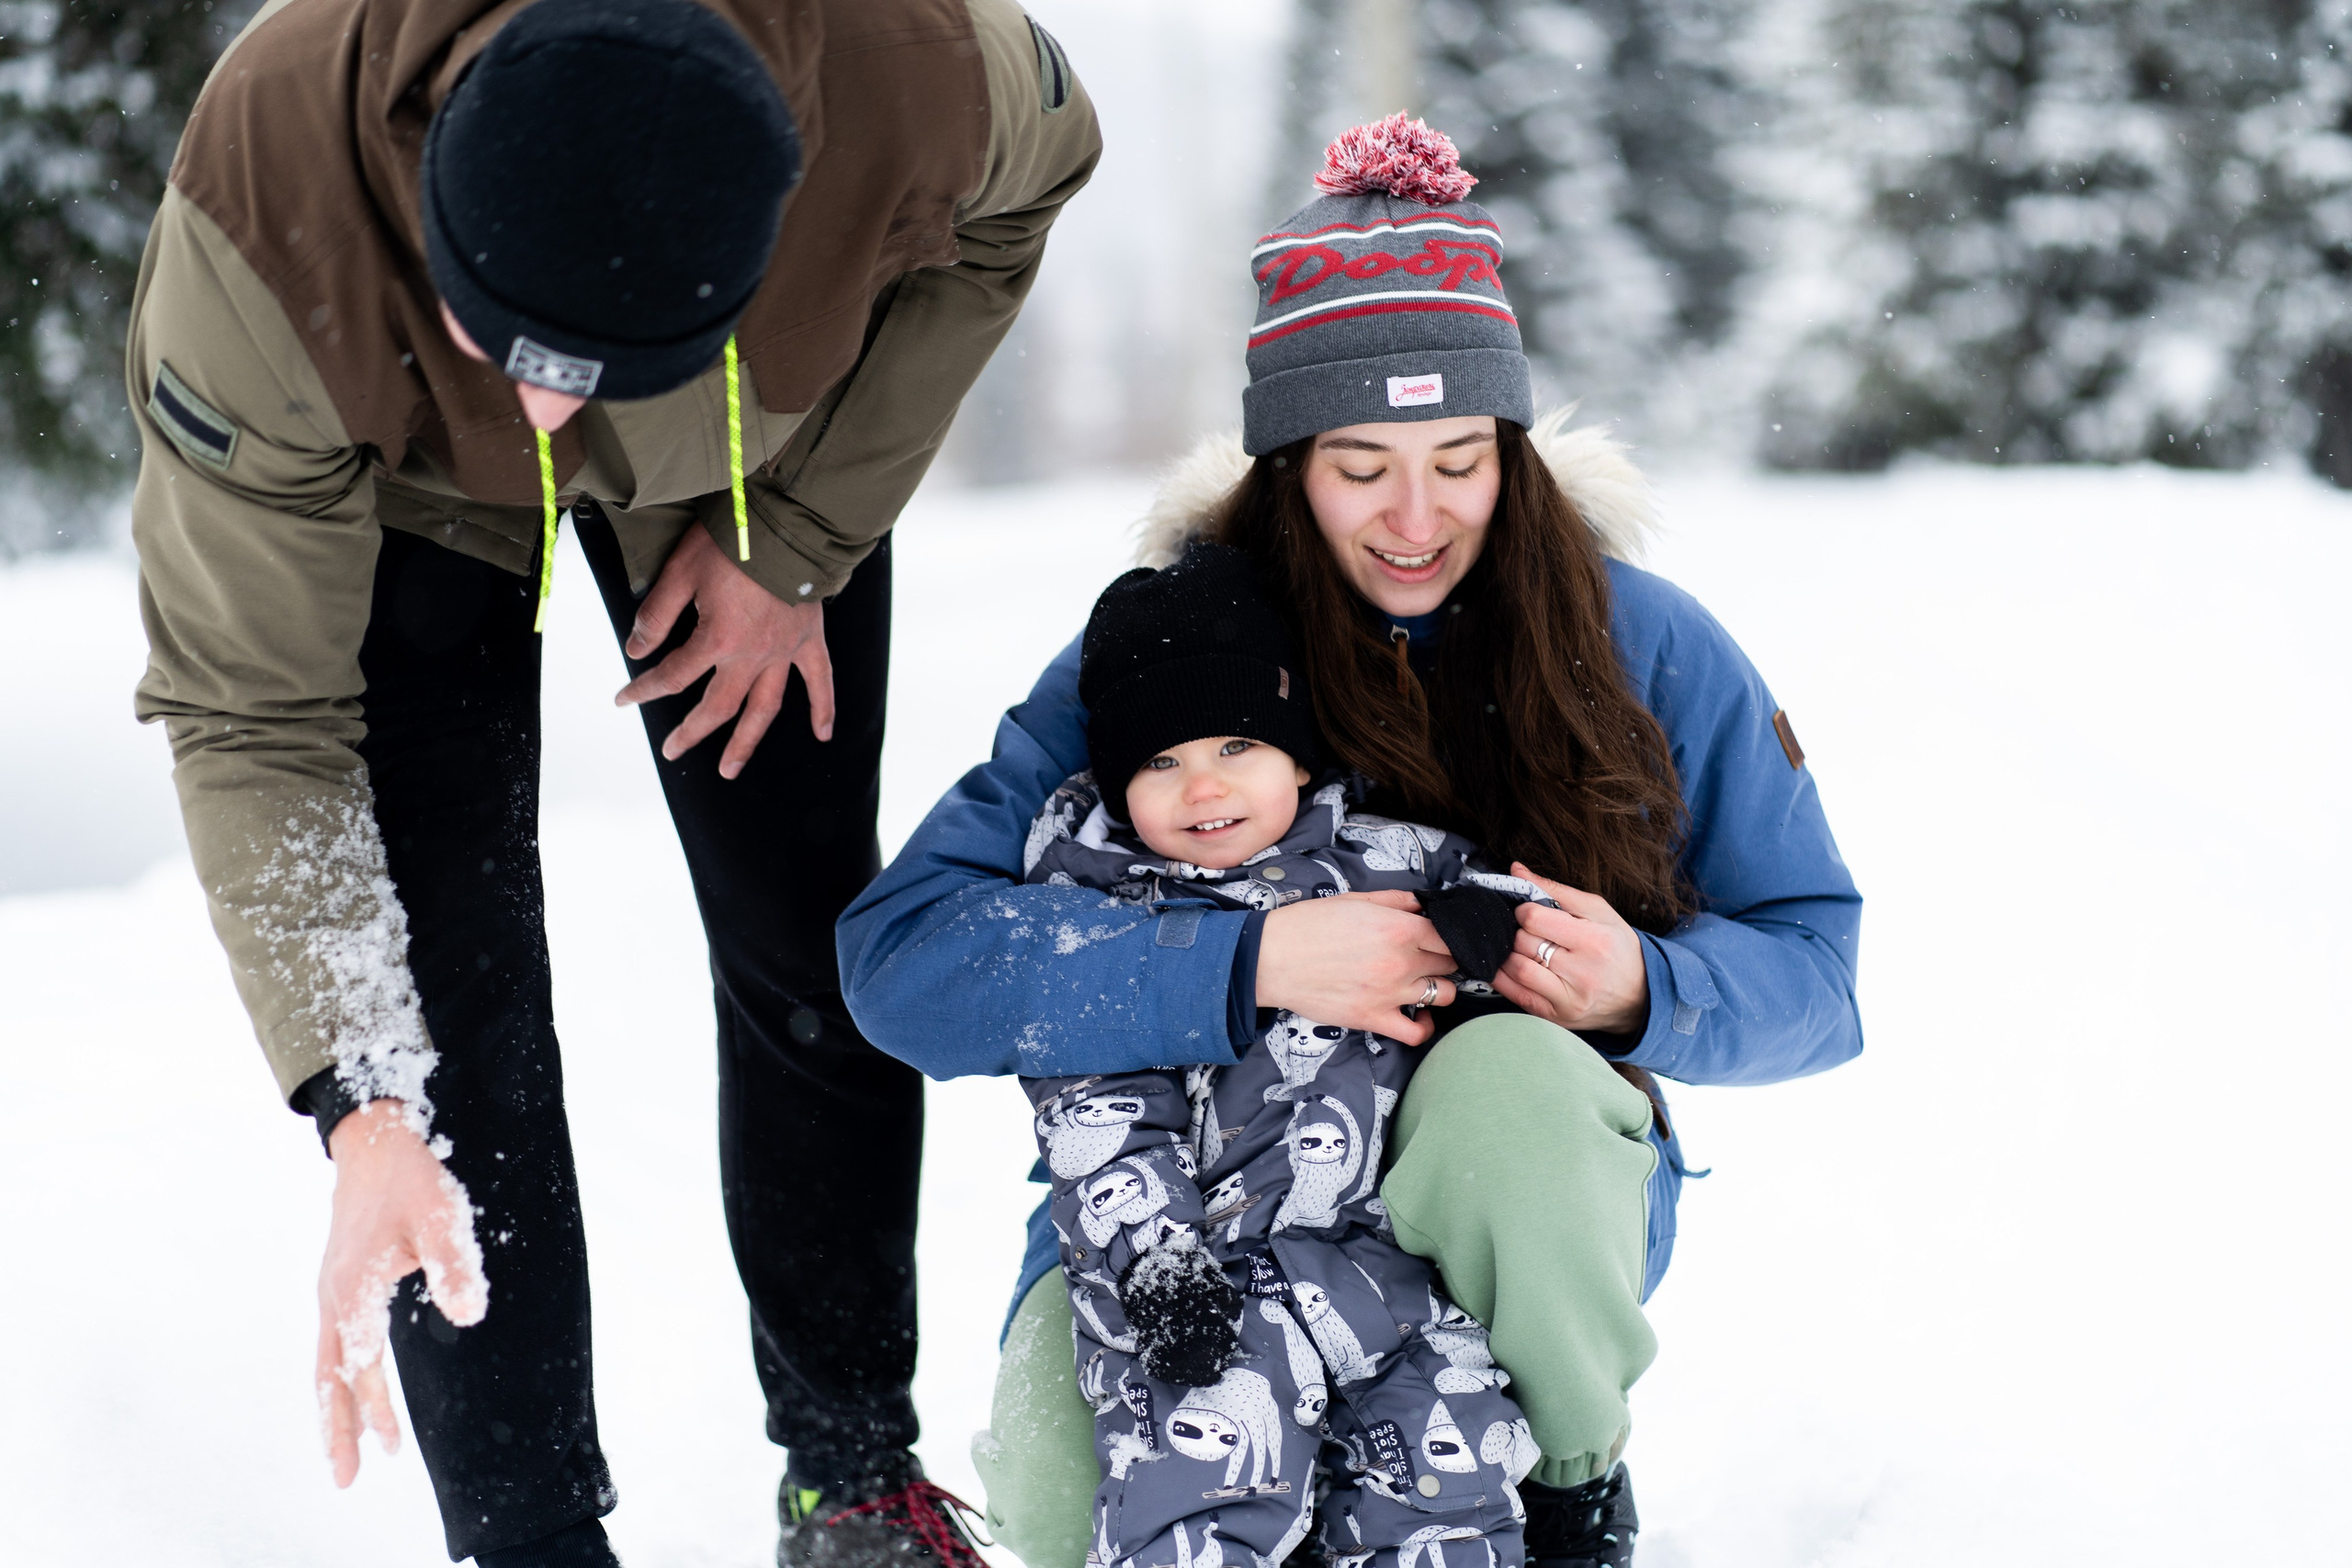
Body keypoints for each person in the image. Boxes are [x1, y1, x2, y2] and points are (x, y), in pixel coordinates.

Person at [126, 1, 1097, 1563]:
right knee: (449, 1026)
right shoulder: (263, 223)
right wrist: (359, 1095)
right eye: (502, 343)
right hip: (402, 475)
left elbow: (1031, 190)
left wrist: (799, 543)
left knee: (807, 932)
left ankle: (854, 1478)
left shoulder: (908, 70)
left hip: (740, 455)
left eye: (593, 371)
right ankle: (530, 1539)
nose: (546, 417)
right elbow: (253, 709)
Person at [836, 115, 1864, 1568]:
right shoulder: (1179, 651)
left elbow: (1821, 971)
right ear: (1283, 464)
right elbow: (902, 960)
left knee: (1505, 1090)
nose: (1416, 515)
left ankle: (1564, 1482)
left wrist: (1649, 987)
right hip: (1187, 1213)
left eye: (1459, 458)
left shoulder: (1644, 641)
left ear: (1509, 445)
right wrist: (1245, 959)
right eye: (1359, 463)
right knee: (1074, 1511)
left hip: (1502, 1200)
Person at [1019, 543, 1544, 1568]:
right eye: (1159, 762)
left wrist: (1485, 926)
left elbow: (1513, 899)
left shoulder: (1377, 858)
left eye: (1235, 746)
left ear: (1300, 756)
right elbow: (1098, 1123)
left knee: (1446, 1482)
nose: (1202, 785)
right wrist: (1160, 1271)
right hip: (1192, 1296)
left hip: (1377, 1271)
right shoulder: (1092, 924)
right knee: (1194, 1508)